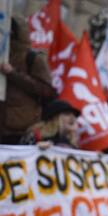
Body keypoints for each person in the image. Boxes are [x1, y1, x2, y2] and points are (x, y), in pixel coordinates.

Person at [0, 16, 56, 144]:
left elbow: (47, 91)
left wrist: (13, 74)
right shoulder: (3, 55)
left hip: (19, 132)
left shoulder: (33, 59)